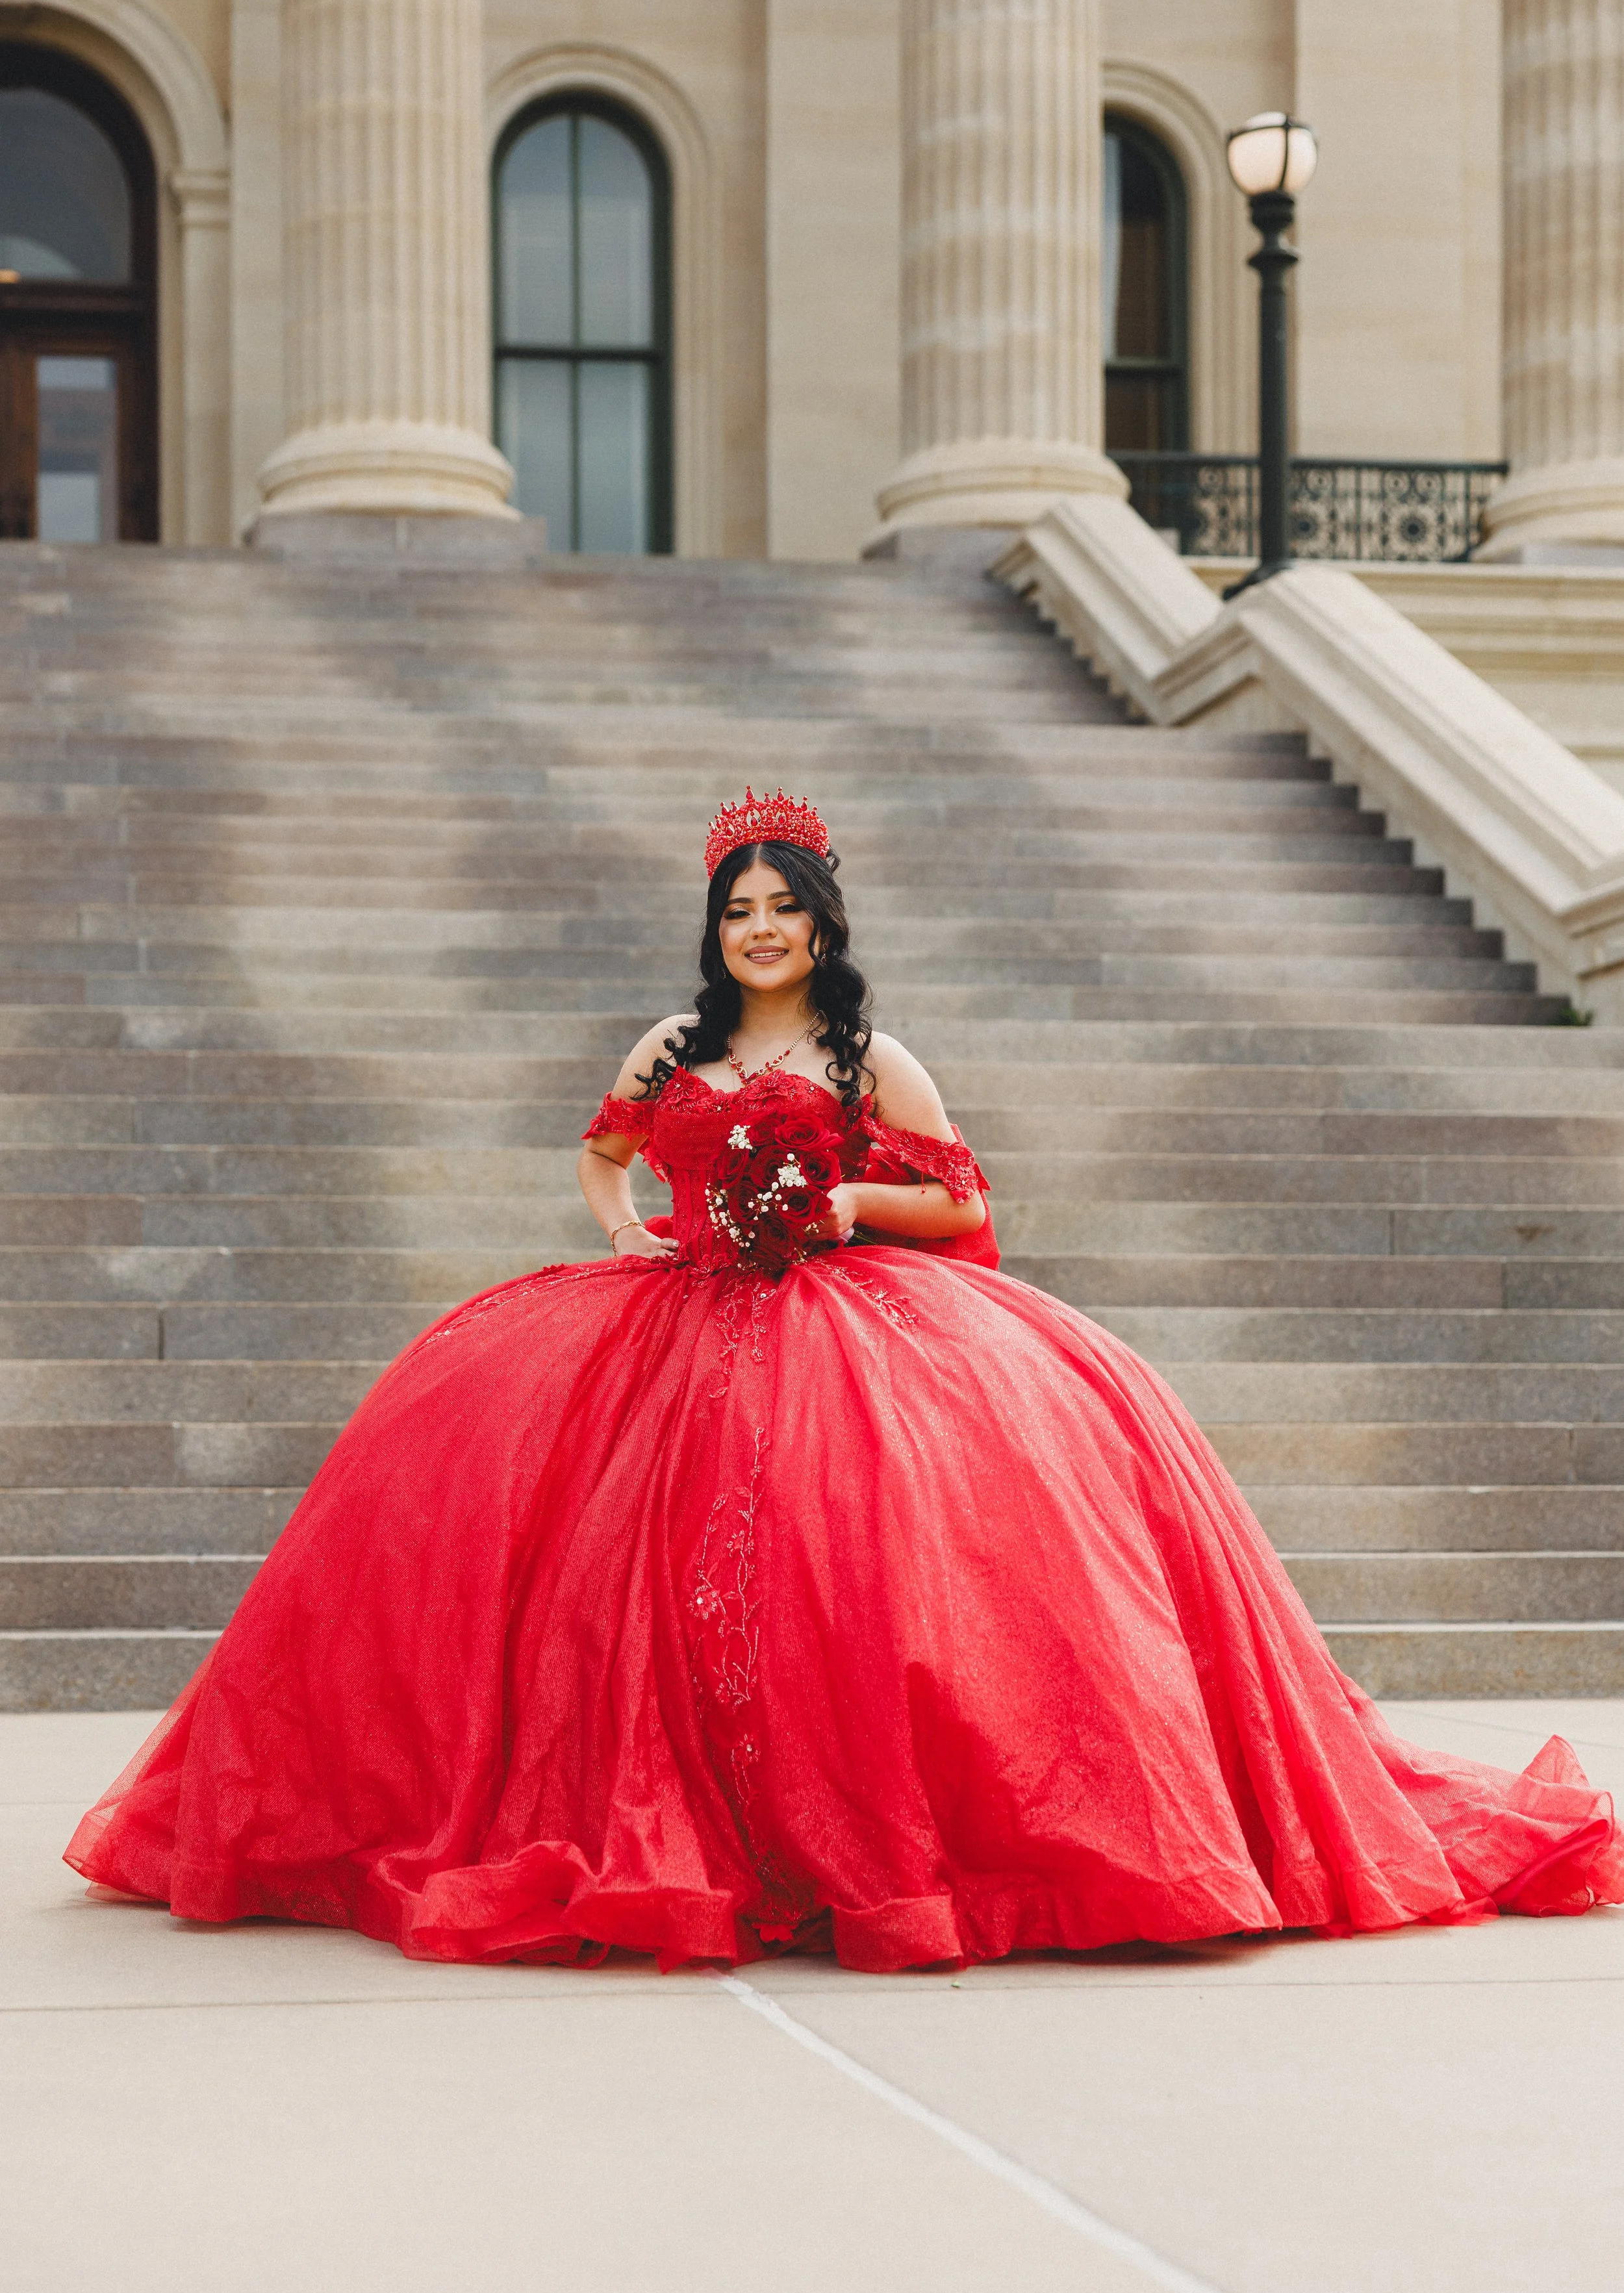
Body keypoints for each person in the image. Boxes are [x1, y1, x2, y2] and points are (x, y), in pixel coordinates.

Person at [67, 791, 1623, 1970]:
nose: (757, 929)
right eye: (736, 908)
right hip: (673, 1325)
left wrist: (840, 1209)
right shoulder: (670, 1047)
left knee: (859, 1570)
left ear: (819, 922)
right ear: (715, 927)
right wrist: (633, 1239)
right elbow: (601, 1152)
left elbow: (959, 1203)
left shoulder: (871, 1059)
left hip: (847, 1327)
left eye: (781, 907)